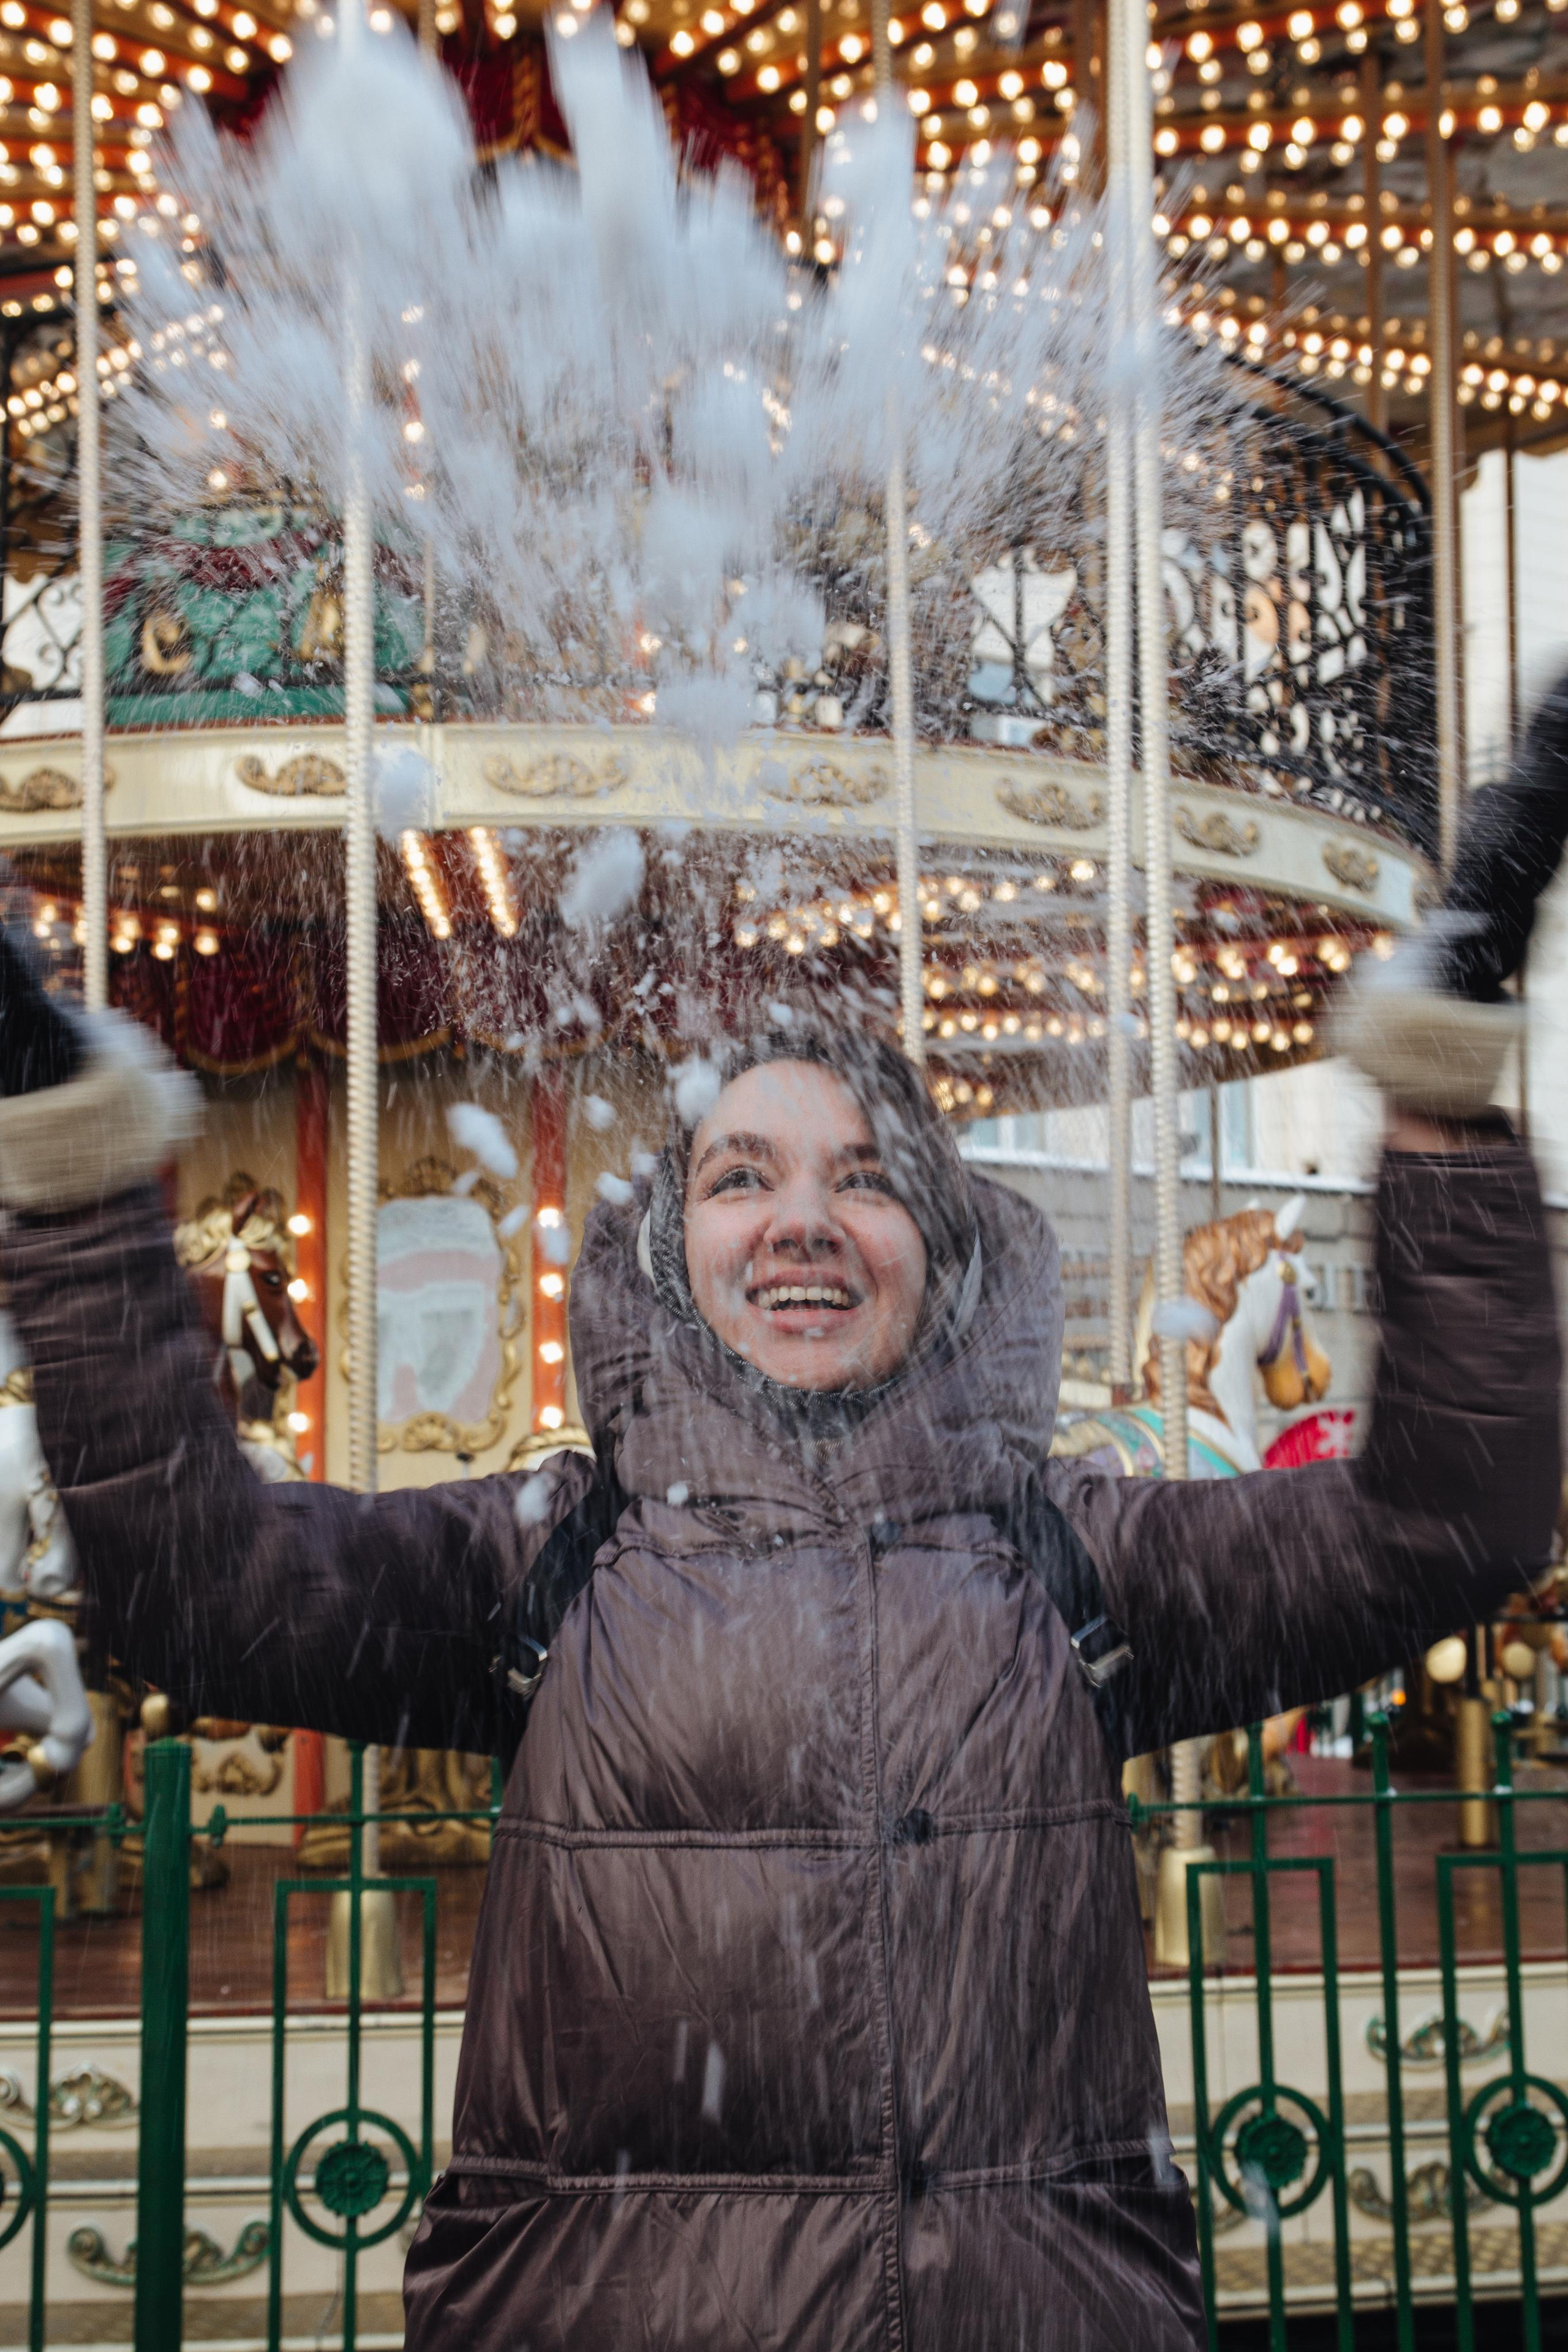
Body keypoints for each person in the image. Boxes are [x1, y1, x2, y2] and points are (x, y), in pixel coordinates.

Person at [0, 680, 1562, 2347]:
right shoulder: (553, 1558)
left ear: (943, 1251)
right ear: (673, 1252)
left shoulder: (1073, 1559)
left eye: (865, 1177)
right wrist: (66, 1155)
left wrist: (1447, 1081)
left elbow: (1441, 1525)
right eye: (741, 1176)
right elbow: (207, 1588)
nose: (802, 1221)